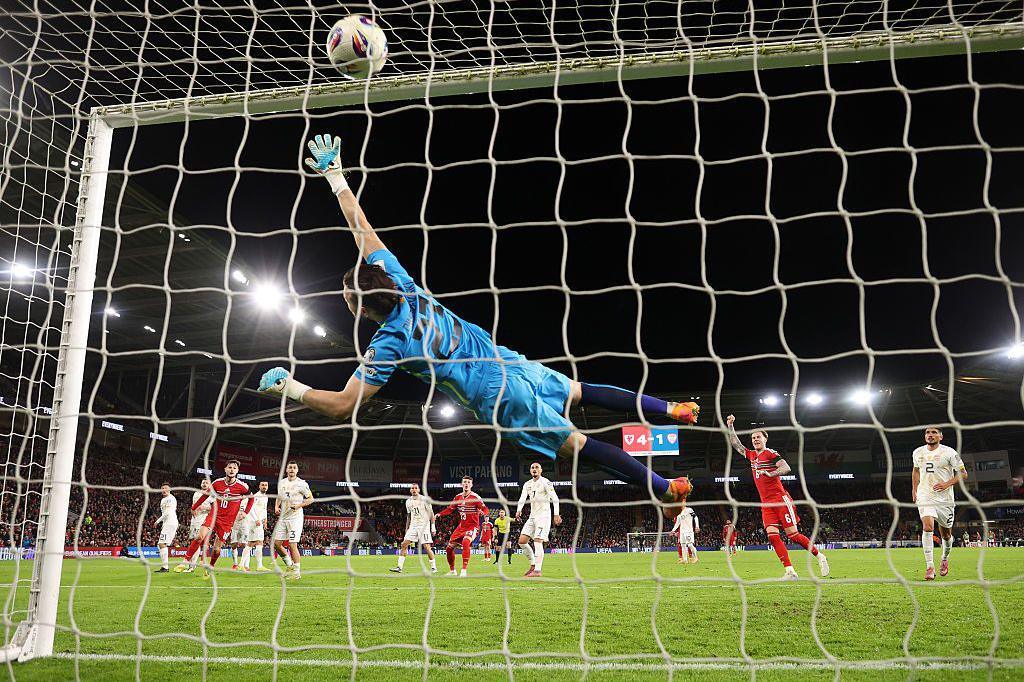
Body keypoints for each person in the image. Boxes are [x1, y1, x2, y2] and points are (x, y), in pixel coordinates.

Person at [257, 133, 697, 518]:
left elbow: (341, 406)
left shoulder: (389, 341)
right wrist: (336, 177)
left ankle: (663, 490)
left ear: (361, 306)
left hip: (496, 395)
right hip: (505, 359)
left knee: (577, 445)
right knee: (581, 391)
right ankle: (670, 409)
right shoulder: (405, 283)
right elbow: (363, 228)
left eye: (347, 294)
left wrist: (289, 388)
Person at [726, 415, 829, 580]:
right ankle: (790, 571)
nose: (755, 440)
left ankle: (820, 556)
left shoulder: (770, 453)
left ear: (765, 439)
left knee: (793, 535)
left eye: (758, 437)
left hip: (781, 500)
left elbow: (786, 467)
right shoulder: (752, 456)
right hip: (766, 504)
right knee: (772, 536)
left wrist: (771, 472)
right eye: (753, 438)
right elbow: (736, 444)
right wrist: (730, 426)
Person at [174, 460, 253, 578]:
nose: (232, 470)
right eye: (229, 467)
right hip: (214, 515)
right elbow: (206, 494)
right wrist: (194, 507)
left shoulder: (242, 486)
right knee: (199, 536)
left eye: (234, 468)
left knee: (216, 550)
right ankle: (185, 561)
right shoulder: (217, 483)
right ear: (225, 469)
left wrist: (245, 513)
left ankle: (210, 567)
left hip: (227, 522)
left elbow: (251, 498)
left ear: (237, 471)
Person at [912, 426, 968, 580]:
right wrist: (914, 490)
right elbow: (915, 471)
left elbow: (963, 474)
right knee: (927, 526)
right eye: (927, 433)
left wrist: (947, 483)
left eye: (934, 432)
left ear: (940, 436)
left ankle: (944, 558)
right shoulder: (917, 452)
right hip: (925, 495)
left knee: (946, 535)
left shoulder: (950, 453)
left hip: (945, 499)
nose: (930, 435)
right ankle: (930, 567)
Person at [516, 462, 562, 577]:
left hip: (544, 516)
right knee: (521, 542)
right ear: (530, 471)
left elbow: (555, 498)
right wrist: (519, 509)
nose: (534, 469)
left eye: (537, 467)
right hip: (532, 516)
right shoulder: (527, 484)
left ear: (541, 470)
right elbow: (522, 497)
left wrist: (556, 514)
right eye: (532, 468)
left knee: (537, 541)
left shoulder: (546, 482)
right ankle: (533, 564)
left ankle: (537, 570)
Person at [436, 476, 488, 577]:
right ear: (461, 484)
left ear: (471, 485)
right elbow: (450, 509)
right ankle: (452, 571)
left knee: (466, 541)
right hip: (461, 527)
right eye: (464, 482)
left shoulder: (475, 497)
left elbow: (485, 509)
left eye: (468, 482)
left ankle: (464, 570)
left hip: (473, 527)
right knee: (449, 548)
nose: (466, 484)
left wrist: (483, 513)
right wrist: (440, 514)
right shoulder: (458, 497)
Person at [274, 461, 314, 580]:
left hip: (295, 517)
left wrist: (298, 506)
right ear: (286, 470)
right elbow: (279, 496)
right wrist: (276, 506)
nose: (292, 469)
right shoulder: (282, 483)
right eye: (290, 467)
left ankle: (296, 572)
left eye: (294, 468)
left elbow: (311, 499)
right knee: (276, 544)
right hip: (283, 517)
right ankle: (290, 565)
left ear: (297, 470)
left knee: (292, 544)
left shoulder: (302, 484)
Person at [390, 483, 438, 574]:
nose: (414, 489)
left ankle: (434, 568)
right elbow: (408, 516)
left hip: (424, 526)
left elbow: (431, 514)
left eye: (416, 488)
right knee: (404, 544)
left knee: (426, 547)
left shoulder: (425, 499)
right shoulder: (408, 501)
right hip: (413, 526)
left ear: (419, 490)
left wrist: (433, 527)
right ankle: (399, 567)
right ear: (410, 490)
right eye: (412, 488)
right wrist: (406, 528)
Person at [244, 481, 270, 571]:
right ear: (259, 486)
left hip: (257, 521)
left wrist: (265, 520)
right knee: (259, 542)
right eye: (262, 485)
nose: (264, 486)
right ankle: (259, 566)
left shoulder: (265, 497)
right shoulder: (256, 496)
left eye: (266, 485)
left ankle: (242, 564)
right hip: (255, 522)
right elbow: (250, 508)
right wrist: (256, 519)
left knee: (250, 544)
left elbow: (264, 509)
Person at [154, 483, 178, 573]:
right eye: (162, 488)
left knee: (161, 543)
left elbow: (167, 513)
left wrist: (157, 521)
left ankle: (165, 567)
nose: (163, 490)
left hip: (171, 523)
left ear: (169, 489)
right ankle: (165, 566)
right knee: (160, 545)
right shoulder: (163, 500)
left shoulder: (171, 499)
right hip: (167, 523)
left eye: (165, 488)